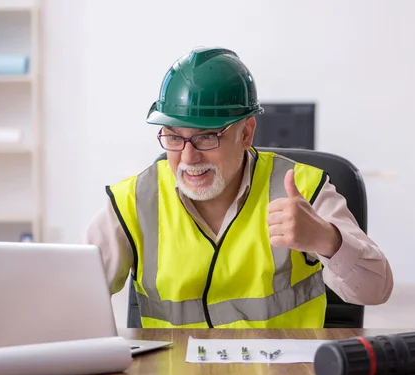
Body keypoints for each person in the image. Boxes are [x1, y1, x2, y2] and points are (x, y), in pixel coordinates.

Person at [82, 47, 393, 329]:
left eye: (206, 137)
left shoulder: (304, 190)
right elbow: (71, 296)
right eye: (174, 138)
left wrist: (327, 239)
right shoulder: (134, 201)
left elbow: (377, 289)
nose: (188, 157)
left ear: (246, 133)